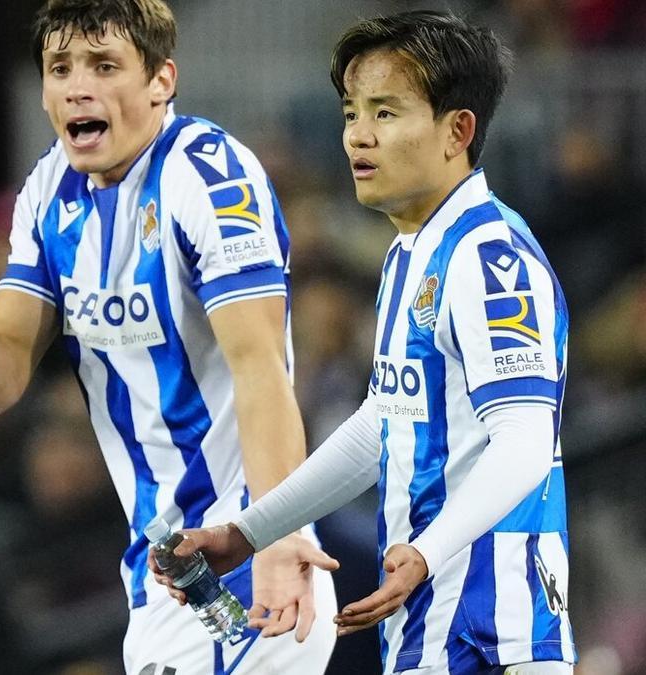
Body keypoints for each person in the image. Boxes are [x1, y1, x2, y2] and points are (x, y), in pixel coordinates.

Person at [0, 0, 338, 671]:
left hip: (245, 563)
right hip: (159, 580)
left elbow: (261, 371)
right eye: (59, 68)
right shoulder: (50, 192)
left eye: (104, 65)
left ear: (160, 81)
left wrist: (279, 541)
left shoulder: (209, 173)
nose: (77, 85)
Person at [156, 10, 576, 675]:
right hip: (429, 625)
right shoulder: (412, 255)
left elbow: (524, 443)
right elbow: (384, 426)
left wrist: (427, 550)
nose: (357, 134)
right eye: (351, 112)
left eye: (385, 113)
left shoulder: (492, 260)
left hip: (496, 632)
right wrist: (248, 532)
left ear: (456, 130)